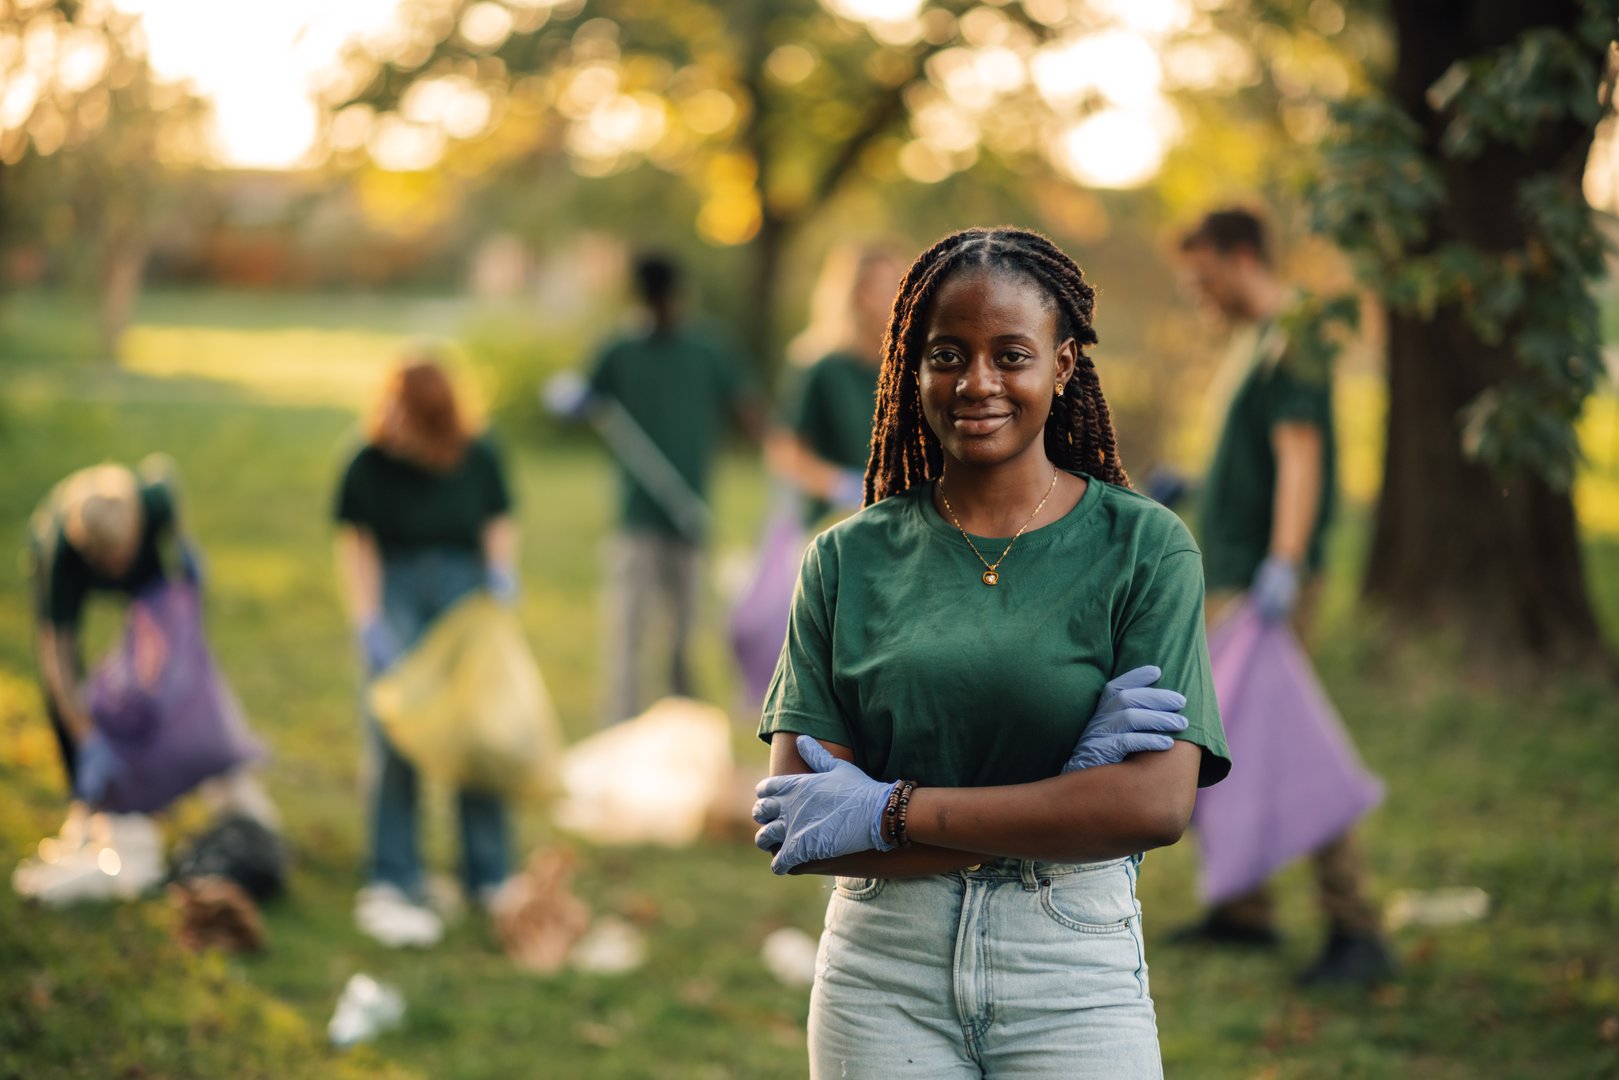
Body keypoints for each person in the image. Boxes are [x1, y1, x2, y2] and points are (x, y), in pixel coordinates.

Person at [751, 227, 1231, 1078]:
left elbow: (1154, 808)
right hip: (879, 974)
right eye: (947, 354)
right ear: (910, 367)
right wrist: (1070, 797)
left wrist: (890, 811)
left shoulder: (1143, 548)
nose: (977, 382)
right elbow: (807, 823)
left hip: (1069, 965)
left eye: (1011, 354)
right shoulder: (843, 559)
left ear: (1064, 364)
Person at [1175, 207, 1395, 986]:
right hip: (1230, 570)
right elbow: (1256, 459)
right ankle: (1244, 911)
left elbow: (1298, 455)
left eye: (1204, 277)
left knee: (1288, 739)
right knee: (1219, 740)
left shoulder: (1293, 334)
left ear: (1241, 258)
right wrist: (1195, 484)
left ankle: (1356, 925)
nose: (1198, 293)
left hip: (1268, 579)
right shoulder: (1251, 342)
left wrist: (1286, 562)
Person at [333, 351, 519, 947]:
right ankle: (394, 873)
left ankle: (486, 872)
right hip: (398, 584)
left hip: (464, 583)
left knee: (475, 730)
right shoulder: (367, 461)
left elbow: (497, 519)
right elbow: (356, 542)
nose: (393, 419)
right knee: (398, 730)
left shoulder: (479, 452)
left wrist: (501, 578)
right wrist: (367, 618)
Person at [583, 253, 764, 723]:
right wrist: (574, 399)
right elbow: (587, 396)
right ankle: (619, 726)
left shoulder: (706, 350)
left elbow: (746, 407)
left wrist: (775, 449)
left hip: (691, 514)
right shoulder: (620, 351)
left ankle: (682, 725)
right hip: (638, 517)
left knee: (686, 633)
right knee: (630, 632)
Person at [14, 457, 189, 900]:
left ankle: (146, 794)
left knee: (155, 682)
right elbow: (58, 652)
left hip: (150, 571)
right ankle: (85, 806)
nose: (115, 566)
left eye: (121, 554)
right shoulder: (61, 553)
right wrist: (82, 730)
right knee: (67, 695)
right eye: (106, 559)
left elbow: (162, 622)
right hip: (63, 564)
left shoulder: (154, 504)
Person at [766, 244, 903, 525]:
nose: (898, 297)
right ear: (856, 296)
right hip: (837, 526)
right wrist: (844, 486)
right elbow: (787, 454)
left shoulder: (914, 367)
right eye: (885, 287)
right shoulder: (822, 367)